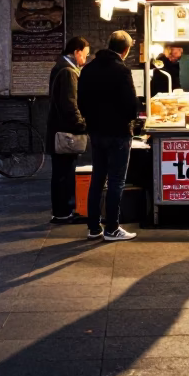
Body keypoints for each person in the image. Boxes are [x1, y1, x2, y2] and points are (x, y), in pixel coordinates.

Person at [78, 30, 139, 242]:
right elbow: (131, 105)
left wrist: (92, 120)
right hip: (119, 133)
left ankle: (93, 228)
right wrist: (130, 119)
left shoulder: (88, 69)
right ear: (126, 50)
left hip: (96, 132)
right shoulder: (121, 70)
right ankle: (112, 228)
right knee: (116, 181)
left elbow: (81, 103)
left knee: (97, 178)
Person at [46, 37, 89, 224]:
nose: (85, 59)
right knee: (64, 173)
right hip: (64, 131)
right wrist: (82, 124)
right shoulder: (68, 72)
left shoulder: (61, 68)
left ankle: (62, 211)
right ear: (77, 51)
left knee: (62, 172)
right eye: (85, 55)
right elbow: (70, 104)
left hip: (59, 128)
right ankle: (63, 212)